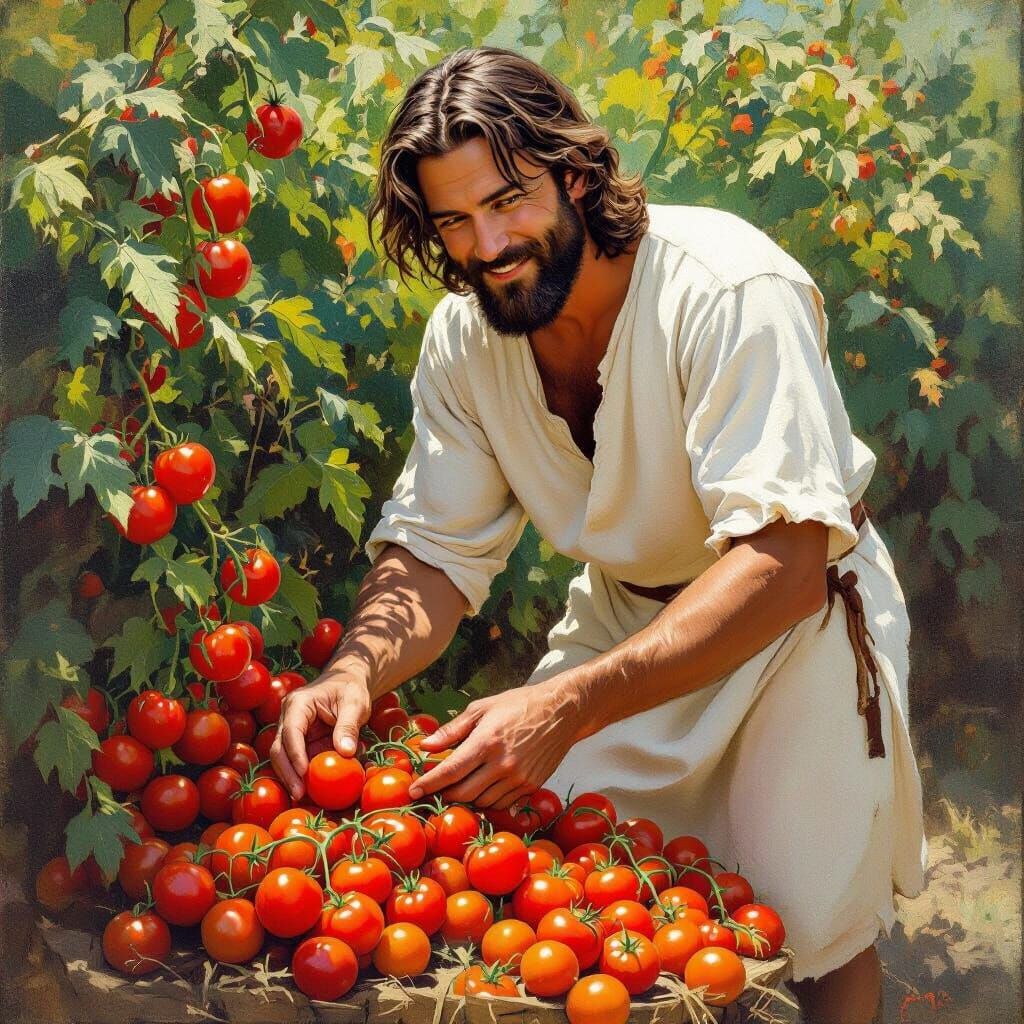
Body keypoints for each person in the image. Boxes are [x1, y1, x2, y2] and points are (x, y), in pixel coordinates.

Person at [270, 46, 927, 1024]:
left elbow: (785, 563)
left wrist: (567, 703)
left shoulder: (727, 289)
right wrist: (355, 669)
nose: (488, 245)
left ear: (575, 174)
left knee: (809, 914)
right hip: (626, 617)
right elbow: (435, 549)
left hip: (797, 623)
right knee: (578, 889)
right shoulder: (465, 340)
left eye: (508, 202)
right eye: (453, 221)